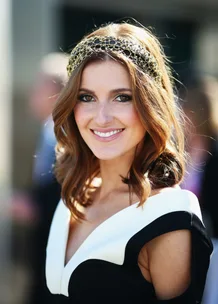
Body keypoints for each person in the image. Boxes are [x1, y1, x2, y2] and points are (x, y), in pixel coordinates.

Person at [45, 21, 213, 303]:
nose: (101, 117)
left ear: (150, 104)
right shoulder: (71, 199)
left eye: (122, 97)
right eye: (86, 97)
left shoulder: (170, 216)